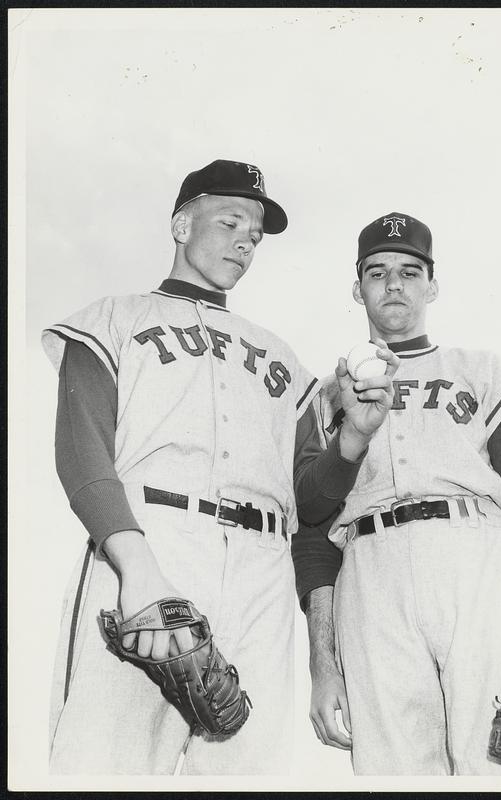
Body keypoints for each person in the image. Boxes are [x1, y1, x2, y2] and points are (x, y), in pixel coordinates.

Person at [41, 160, 397, 775]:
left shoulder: (282, 357)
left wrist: (352, 444)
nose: (244, 241)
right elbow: (81, 453)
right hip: (151, 543)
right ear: (181, 224)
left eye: (255, 235)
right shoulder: (113, 318)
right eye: (231, 220)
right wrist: (138, 570)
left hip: (261, 569)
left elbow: (309, 502)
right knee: (102, 771)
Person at [292, 211, 501, 775]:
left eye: (410, 271)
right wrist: (323, 664)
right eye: (377, 273)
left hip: (472, 562)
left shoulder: (481, 371)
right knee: (391, 774)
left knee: (497, 765)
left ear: (433, 284)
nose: (394, 284)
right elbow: (312, 535)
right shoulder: (327, 395)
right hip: (369, 572)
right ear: (357, 289)